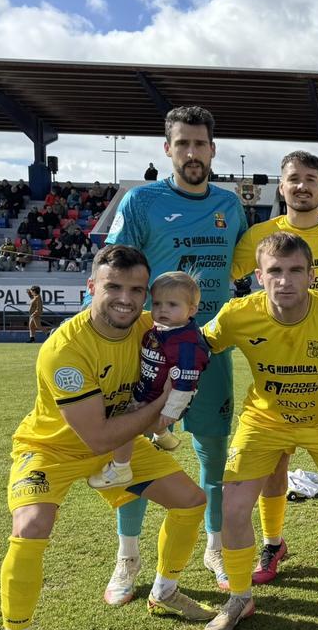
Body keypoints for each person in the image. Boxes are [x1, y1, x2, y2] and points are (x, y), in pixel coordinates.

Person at [0, 245, 212, 630]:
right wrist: (163, 405)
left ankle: (165, 590)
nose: (126, 299)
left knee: (191, 502)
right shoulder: (64, 350)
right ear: (91, 287)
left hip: (120, 438)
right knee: (30, 527)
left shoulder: (152, 327)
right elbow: (96, 437)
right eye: (113, 287)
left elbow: (195, 340)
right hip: (54, 448)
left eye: (136, 289)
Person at [103, 105, 249, 599]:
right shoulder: (142, 202)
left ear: (213, 150)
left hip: (210, 350)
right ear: (168, 149)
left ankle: (213, 546)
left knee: (213, 454)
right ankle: (127, 557)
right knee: (137, 455)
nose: (192, 152)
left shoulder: (231, 206)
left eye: (200, 143)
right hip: (151, 350)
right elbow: (114, 265)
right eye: (182, 143)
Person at [202, 231, 318, 630]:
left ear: (311, 275)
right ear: (259, 276)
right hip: (264, 421)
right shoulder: (236, 314)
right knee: (232, 506)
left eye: (296, 270)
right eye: (275, 271)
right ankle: (239, 597)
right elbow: (197, 345)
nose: (285, 280)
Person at [231, 151, 318, 584]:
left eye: (311, 178)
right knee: (273, 465)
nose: (302, 186)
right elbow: (224, 276)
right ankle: (274, 543)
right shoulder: (258, 234)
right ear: (281, 185)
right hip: (275, 366)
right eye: (293, 178)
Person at [88, 273, 210, 597]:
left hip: (154, 403)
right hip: (144, 392)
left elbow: (185, 380)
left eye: (172, 305)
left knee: (124, 427)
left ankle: (123, 467)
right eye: (157, 304)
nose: (161, 310)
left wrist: (169, 414)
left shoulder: (187, 341)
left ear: (193, 309)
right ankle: (127, 556)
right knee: (128, 427)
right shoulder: (155, 328)